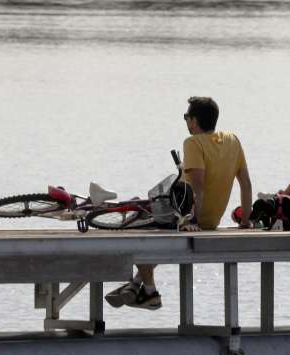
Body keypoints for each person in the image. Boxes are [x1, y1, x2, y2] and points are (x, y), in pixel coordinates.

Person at [107, 96, 253, 310]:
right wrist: (245, 221)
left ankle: (150, 292)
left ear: (194, 120)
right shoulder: (233, 140)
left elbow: (197, 187)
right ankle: (135, 284)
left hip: (187, 217)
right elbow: (246, 185)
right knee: (155, 227)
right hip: (210, 220)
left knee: (136, 229)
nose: (186, 122)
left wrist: (191, 220)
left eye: (186, 117)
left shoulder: (193, 143)